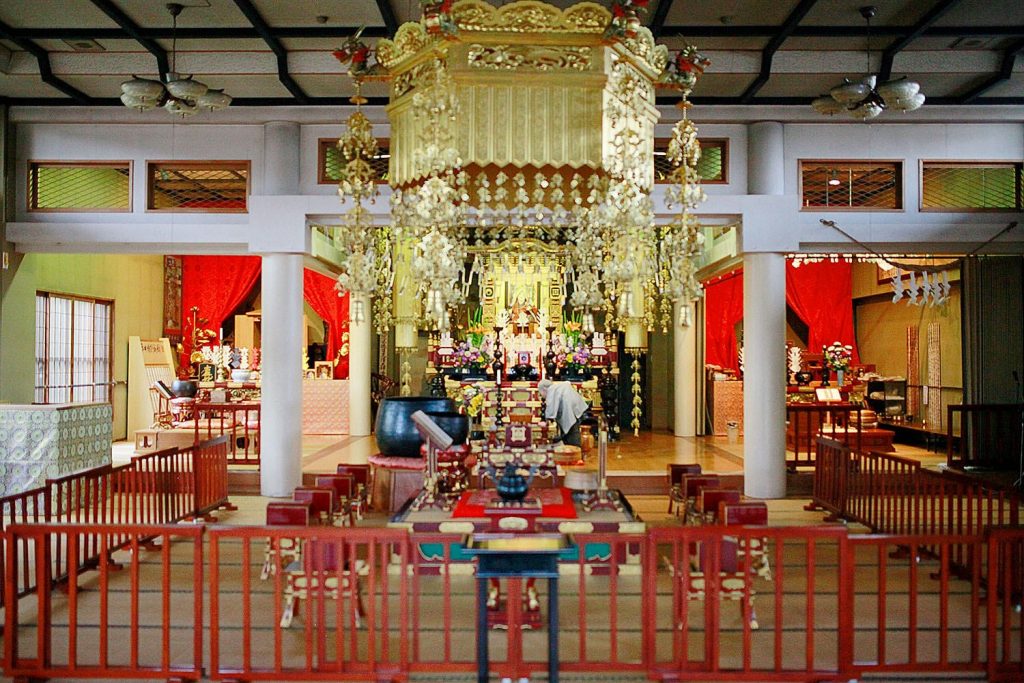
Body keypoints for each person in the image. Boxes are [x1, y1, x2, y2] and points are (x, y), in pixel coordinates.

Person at [537, 379, 589, 447]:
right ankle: (572, 448)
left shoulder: (551, 390)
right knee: (572, 429)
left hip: (570, 411)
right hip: (577, 408)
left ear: (544, 389)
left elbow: (550, 408)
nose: (542, 396)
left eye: (541, 393)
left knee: (572, 432)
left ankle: (574, 449)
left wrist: (546, 421)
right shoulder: (558, 387)